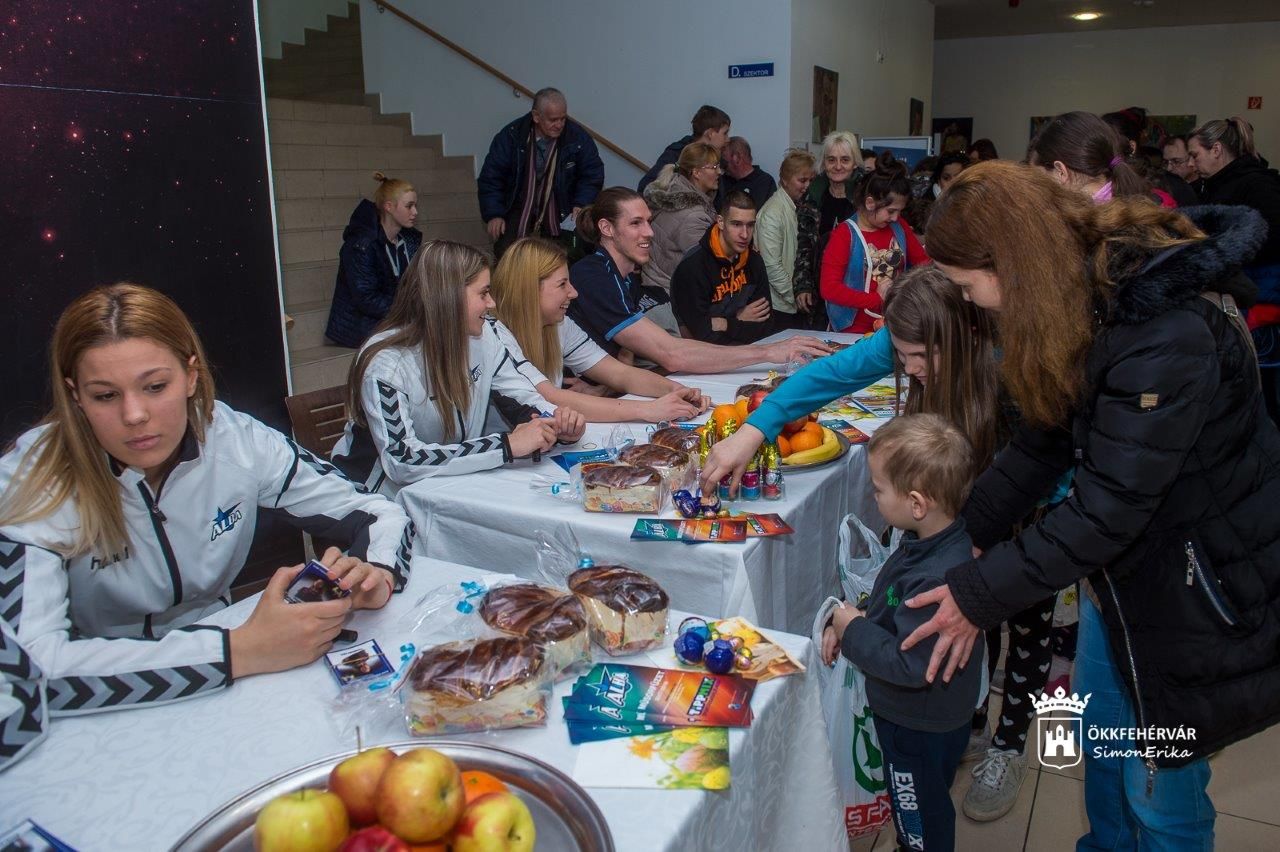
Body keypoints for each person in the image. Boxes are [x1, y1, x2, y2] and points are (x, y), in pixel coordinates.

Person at [898, 161, 1280, 849]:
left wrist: (977, 593)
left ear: (1011, 262)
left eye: (967, 285)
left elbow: (1108, 508)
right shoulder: (1089, 303)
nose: (973, 302)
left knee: (1158, 791)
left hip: (1195, 590)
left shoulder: (1165, 331)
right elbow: (1044, 440)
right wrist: (963, 536)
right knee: (1104, 751)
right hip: (1127, 581)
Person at [0, 284, 413, 766]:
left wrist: (379, 573)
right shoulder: (31, 479)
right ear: (75, 396)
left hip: (236, 685)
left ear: (191, 375)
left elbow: (378, 509)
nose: (135, 415)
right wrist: (240, 650)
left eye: (156, 387)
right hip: (100, 708)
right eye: (105, 395)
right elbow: (25, 677)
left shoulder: (237, 440)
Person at [822, 412, 982, 852]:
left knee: (918, 813)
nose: (874, 498)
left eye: (877, 489)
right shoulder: (933, 543)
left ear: (916, 503)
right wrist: (859, 612)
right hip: (932, 716)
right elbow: (892, 601)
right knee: (929, 798)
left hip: (917, 722)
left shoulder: (933, 580)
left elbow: (909, 664)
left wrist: (852, 630)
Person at [333, 240, 585, 496]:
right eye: (483, 293)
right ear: (448, 298)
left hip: (447, 487)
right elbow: (402, 460)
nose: (492, 304)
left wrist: (559, 422)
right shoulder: (387, 362)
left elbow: (523, 395)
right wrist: (506, 445)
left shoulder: (486, 335)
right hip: (376, 498)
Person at [566, 187, 831, 374]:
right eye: (636, 223)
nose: (649, 232)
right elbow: (672, 353)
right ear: (606, 228)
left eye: (648, 221)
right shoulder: (594, 275)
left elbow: (629, 351)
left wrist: (609, 382)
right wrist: (769, 352)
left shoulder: (627, 278)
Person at [489, 237, 710, 423]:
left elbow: (619, 373)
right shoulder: (494, 335)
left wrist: (676, 391)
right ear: (529, 290)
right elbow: (551, 398)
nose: (573, 293)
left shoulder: (559, 324)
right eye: (562, 284)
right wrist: (648, 410)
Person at [1189, 117, 1280, 425]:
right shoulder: (1216, 184)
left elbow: (1273, 235)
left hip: (1260, 300)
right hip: (1241, 295)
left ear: (1216, 150)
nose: (1192, 162)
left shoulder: (1256, 183)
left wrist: (1222, 251)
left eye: (1195, 155)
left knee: (1261, 392)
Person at [476, 88, 604, 258]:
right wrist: (494, 214)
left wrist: (581, 202)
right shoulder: (511, 136)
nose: (559, 125)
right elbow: (491, 177)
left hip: (561, 206)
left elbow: (592, 173)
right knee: (508, 255)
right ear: (536, 116)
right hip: (517, 205)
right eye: (553, 120)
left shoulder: (577, 138)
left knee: (564, 256)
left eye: (563, 119)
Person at [820, 152, 929, 334]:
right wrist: (875, 299)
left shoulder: (898, 226)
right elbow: (829, 289)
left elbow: (923, 264)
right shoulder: (845, 234)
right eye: (891, 211)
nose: (896, 217)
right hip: (853, 330)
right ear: (870, 203)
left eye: (899, 211)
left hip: (894, 323)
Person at [325, 173, 422, 349]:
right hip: (360, 325)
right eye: (409, 206)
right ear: (389, 207)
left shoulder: (408, 240)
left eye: (415, 205)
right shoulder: (361, 245)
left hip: (392, 317)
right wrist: (410, 310)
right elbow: (366, 299)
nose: (415, 212)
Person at [670, 191, 775, 344]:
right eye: (736, 224)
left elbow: (765, 325)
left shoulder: (754, 261)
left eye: (750, 225)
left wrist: (724, 323)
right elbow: (701, 335)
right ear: (720, 222)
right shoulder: (693, 267)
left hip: (745, 353)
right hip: (699, 358)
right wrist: (739, 318)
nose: (745, 234)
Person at [1027, 111, 1167, 205]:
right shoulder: (1146, 203)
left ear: (1061, 172)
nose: (1038, 192)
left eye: (1040, 181)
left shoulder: (1081, 232)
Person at [641, 142, 719, 297]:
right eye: (714, 167)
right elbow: (708, 265)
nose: (719, 172)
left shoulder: (671, 188)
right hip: (670, 293)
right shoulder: (694, 216)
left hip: (654, 281)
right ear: (696, 173)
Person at [755, 149, 818, 328]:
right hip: (781, 307)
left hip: (790, 303)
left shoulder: (797, 206)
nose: (806, 186)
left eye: (810, 180)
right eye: (801, 180)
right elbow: (771, 266)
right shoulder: (772, 214)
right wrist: (796, 294)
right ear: (784, 179)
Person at [637, 105, 731, 194]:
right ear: (710, 133)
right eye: (725, 133)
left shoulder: (719, 163)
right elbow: (646, 189)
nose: (728, 139)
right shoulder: (675, 155)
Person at [907, 153, 967, 237]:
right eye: (946, 178)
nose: (952, 183)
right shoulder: (924, 208)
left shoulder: (970, 202)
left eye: (958, 177)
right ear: (938, 180)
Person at [720, 136, 776, 206]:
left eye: (723, 158)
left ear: (737, 158)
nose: (721, 164)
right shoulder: (721, 181)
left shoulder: (765, 183)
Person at [1162, 134, 1205, 200]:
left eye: (1176, 161)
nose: (1169, 168)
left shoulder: (1206, 190)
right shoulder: (1163, 187)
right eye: (1165, 162)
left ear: (1192, 158)